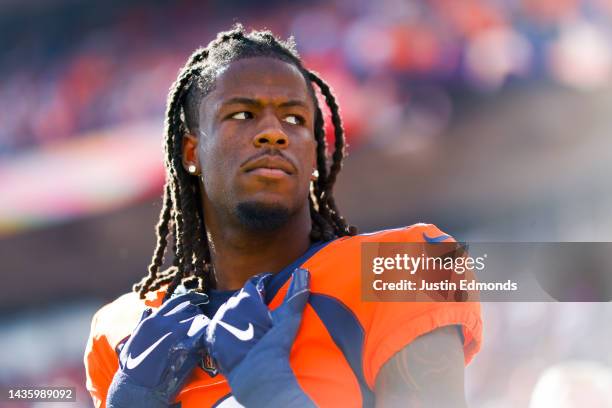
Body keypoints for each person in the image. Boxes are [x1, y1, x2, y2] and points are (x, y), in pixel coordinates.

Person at [84, 25, 482, 407]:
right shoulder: (125, 332)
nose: (273, 133)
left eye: (295, 119)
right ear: (191, 153)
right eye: (242, 115)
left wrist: (274, 394)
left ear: (313, 154)